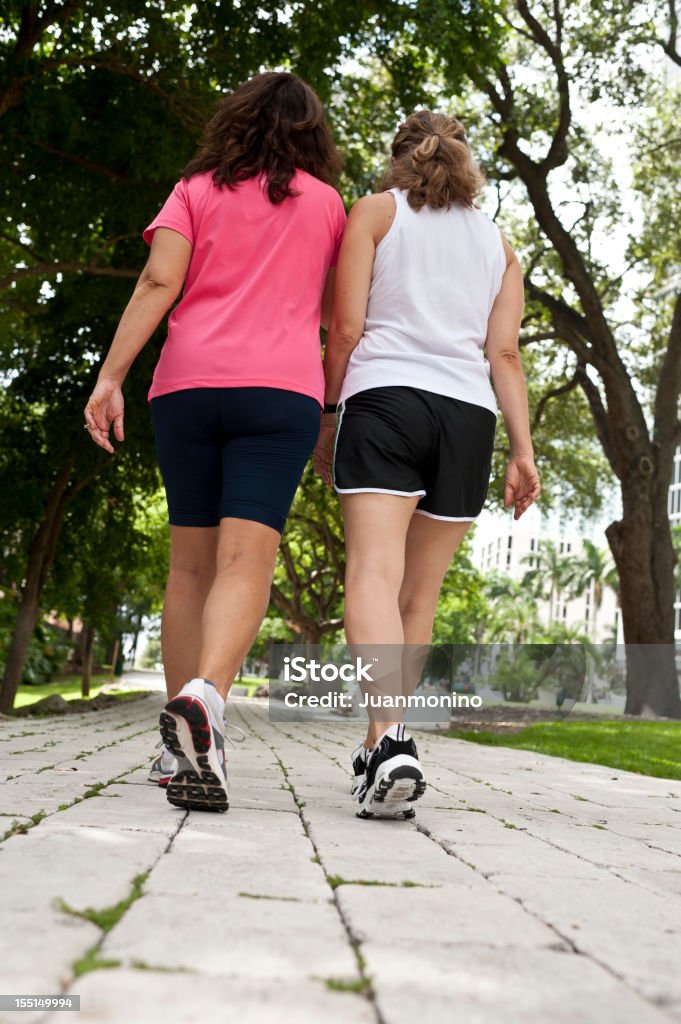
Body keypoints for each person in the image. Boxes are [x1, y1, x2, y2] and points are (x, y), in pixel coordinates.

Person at [85, 72, 346, 812]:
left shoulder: (194, 189)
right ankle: (206, 705)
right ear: (311, 134)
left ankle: (178, 744)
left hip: (187, 389)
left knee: (189, 567)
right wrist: (331, 408)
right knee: (245, 559)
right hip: (280, 394)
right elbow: (337, 316)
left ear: (235, 120)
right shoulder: (329, 207)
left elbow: (158, 280)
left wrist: (111, 378)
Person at [315, 110, 540, 820]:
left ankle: (388, 741)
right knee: (419, 594)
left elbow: (345, 326)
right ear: (464, 161)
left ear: (396, 157)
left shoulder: (375, 213)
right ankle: (387, 742)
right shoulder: (498, 243)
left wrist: (326, 411)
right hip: (467, 418)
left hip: (386, 399)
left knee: (371, 572)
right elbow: (503, 355)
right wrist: (523, 450)